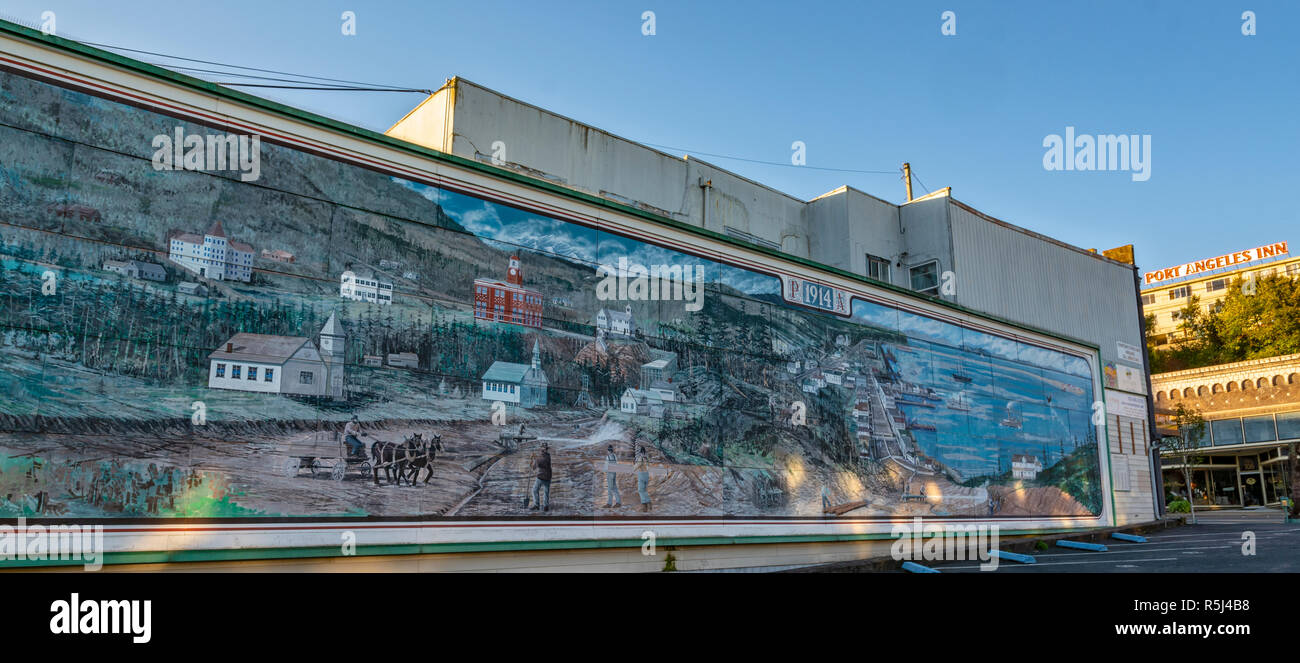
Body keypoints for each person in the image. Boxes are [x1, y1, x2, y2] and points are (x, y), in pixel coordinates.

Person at [529, 442, 552, 512]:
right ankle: (544, 506)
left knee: (538, 490)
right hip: (546, 476)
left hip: (542, 476)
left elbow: (539, 464)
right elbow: (533, 467)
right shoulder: (544, 456)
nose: (543, 450)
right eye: (542, 448)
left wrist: (534, 458)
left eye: (544, 448)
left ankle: (539, 505)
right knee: (544, 491)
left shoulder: (546, 457)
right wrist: (532, 460)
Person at [634, 445, 651, 512]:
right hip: (647, 474)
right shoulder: (647, 458)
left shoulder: (640, 458)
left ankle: (644, 506)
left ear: (641, 453)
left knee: (641, 490)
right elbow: (648, 467)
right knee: (644, 490)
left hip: (641, 474)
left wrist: (634, 465)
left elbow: (636, 467)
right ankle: (649, 503)